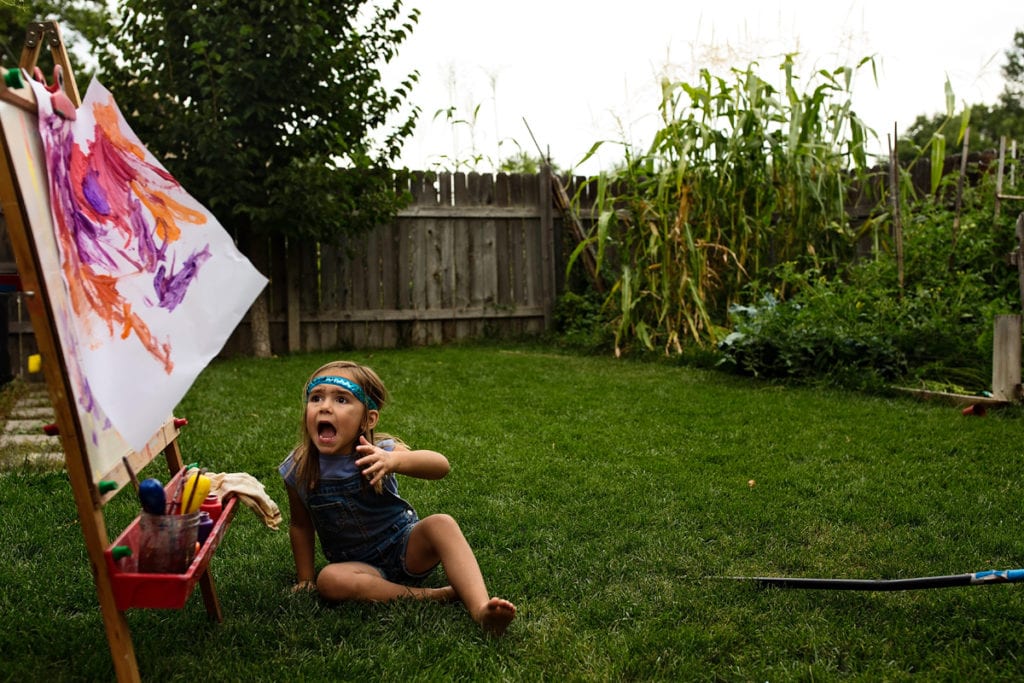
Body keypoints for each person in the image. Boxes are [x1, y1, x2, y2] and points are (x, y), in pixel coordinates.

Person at [279, 360, 516, 636]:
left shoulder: (382, 450)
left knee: (442, 523)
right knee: (329, 580)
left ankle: (480, 609)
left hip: (405, 549)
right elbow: (301, 525)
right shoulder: (299, 467)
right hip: (358, 567)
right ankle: (433, 595)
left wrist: (394, 460)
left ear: (368, 419)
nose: (325, 406)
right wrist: (306, 579)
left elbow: (441, 466)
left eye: (341, 399)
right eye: (316, 398)